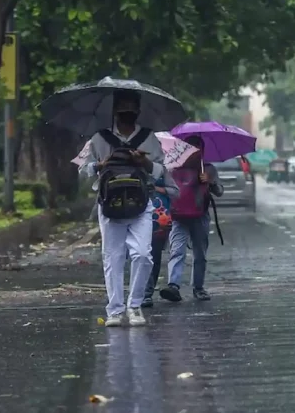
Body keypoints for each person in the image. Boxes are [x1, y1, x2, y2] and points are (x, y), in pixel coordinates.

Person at [78, 89, 165, 327]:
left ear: (138, 111)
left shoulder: (149, 139)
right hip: (109, 205)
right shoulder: (99, 139)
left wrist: (144, 162)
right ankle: (115, 310)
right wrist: (100, 164)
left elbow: (161, 171)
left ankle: (134, 306)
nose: (127, 112)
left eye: (131, 107)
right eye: (122, 107)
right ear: (115, 111)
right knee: (113, 258)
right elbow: (82, 172)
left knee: (143, 255)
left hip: (141, 204)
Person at [160, 136, 224, 302]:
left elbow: (219, 191)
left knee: (200, 253)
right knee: (177, 250)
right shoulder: (172, 167)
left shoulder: (208, 169)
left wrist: (210, 182)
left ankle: (198, 287)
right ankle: (173, 285)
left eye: (197, 148)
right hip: (178, 216)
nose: (193, 152)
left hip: (200, 215)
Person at [141, 171, 180, 308]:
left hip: (159, 220)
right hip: (136, 216)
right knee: (139, 254)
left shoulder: (162, 171)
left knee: (154, 256)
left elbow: (175, 192)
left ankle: (147, 292)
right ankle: (141, 293)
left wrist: (157, 189)